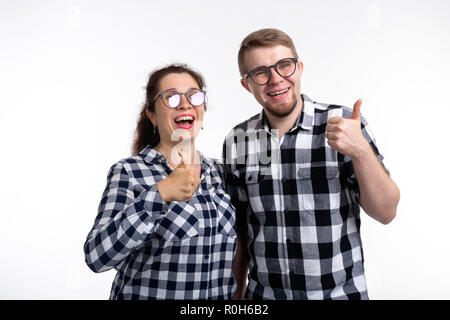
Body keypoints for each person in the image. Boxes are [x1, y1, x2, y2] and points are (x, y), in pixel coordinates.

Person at [223, 28, 400, 300]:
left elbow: (386, 212)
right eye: (261, 72)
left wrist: (361, 151)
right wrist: (236, 296)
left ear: (300, 68)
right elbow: (240, 233)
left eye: (284, 65)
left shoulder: (343, 124)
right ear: (247, 84)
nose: (276, 79)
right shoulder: (239, 141)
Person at [84, 64, 237, 300]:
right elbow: (97, 257)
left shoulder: (222, 174)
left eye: (193, 95)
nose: (185, 104)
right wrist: (159, 194)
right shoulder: (129, 172)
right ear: (152, 115)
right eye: (171, 97)